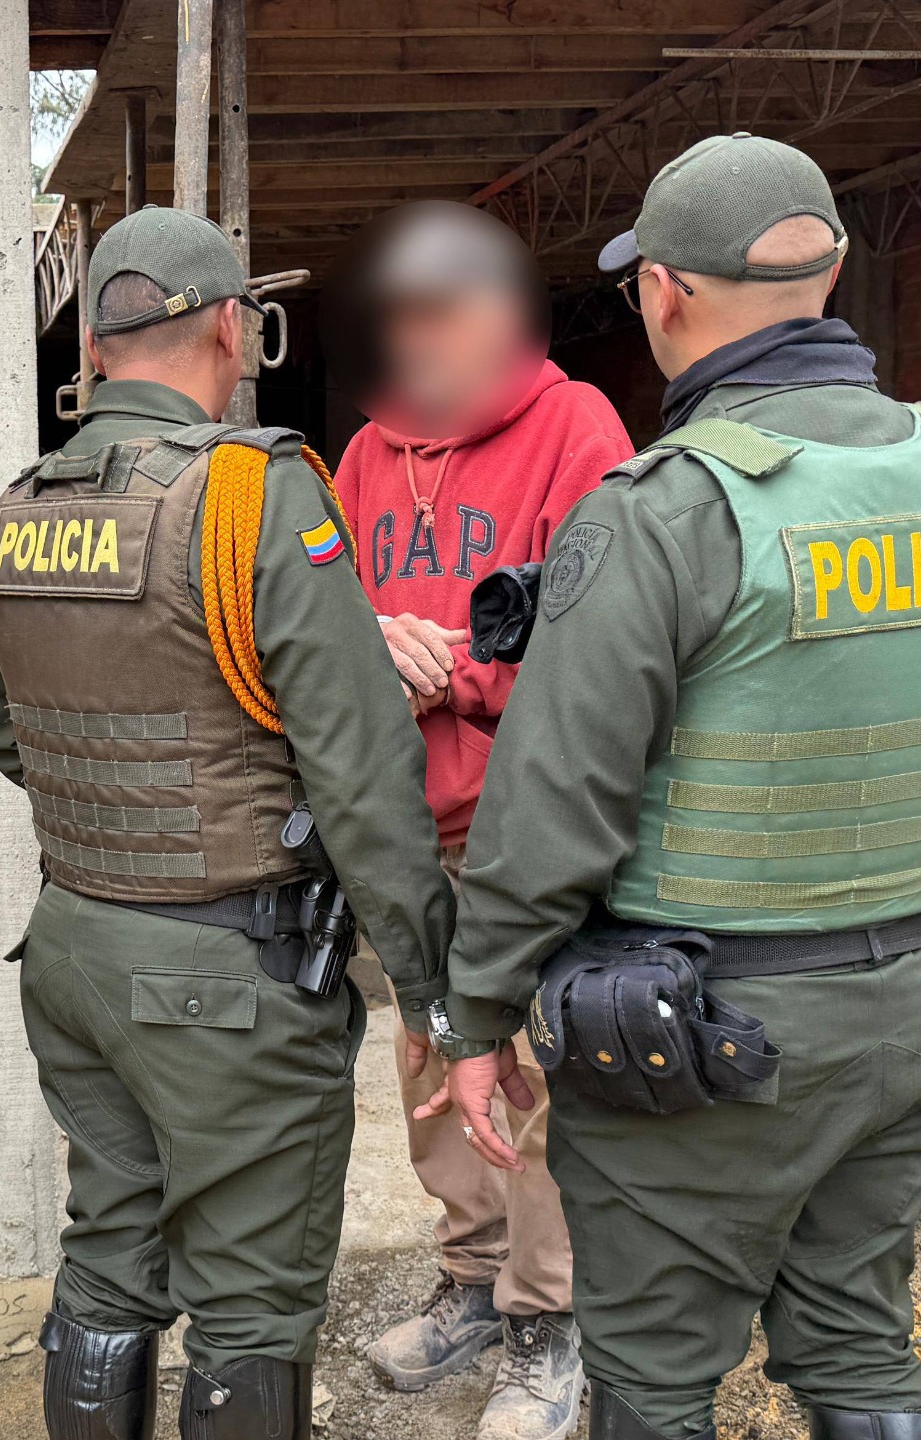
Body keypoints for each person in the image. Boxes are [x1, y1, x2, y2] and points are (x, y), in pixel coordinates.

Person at [425, 134, 921, 1440]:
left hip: (694, 1043)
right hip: (907, 1019)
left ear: (664, 294)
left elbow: (552, 812)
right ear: (829, 276)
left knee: (660, 1380)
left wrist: (477, 1021)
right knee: (856, 1346)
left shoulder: (658, 511)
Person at [0, 206, 459, 1440]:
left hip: (75, 950)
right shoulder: (254, 496)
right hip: (227, 980)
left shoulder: (19, 508)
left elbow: (5, 735)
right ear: (235, 328)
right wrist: (438, 996)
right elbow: (362, 778)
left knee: (110, 1251)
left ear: (91, 346)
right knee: (250, 1303)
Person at [326, 201, 633, 1440]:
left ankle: (548, 1323)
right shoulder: (360, 453)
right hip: (404, 830)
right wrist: (365, 650)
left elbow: (603, 648)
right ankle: (469, 1278)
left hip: (529, 830)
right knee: (427, 1060)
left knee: (535, 1072)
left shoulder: (578, 430)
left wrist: (457, 674)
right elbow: (316, 619)